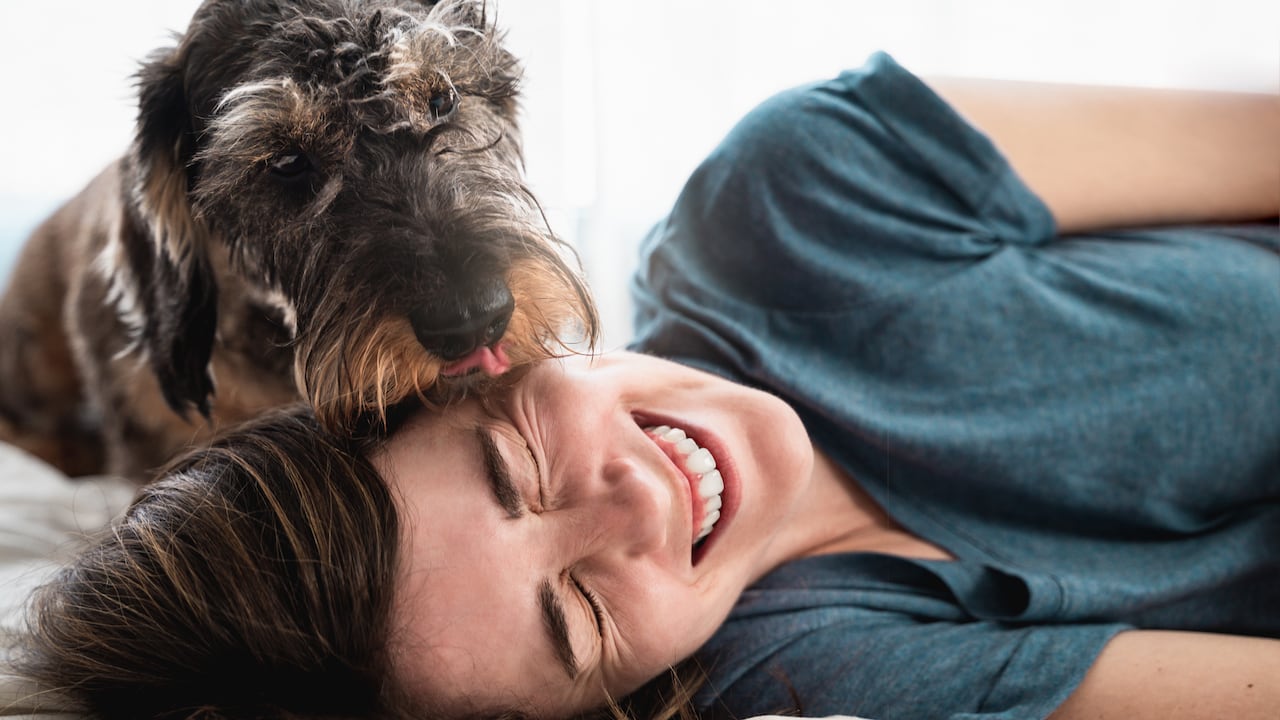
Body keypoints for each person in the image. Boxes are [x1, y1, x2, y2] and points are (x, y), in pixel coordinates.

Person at [7, 52, 1279, 720]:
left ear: (472, 366)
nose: (630, 508)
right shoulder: (808, 679)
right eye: (573, 621)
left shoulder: (802, 190)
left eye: (518, 473)